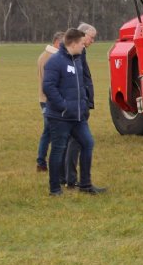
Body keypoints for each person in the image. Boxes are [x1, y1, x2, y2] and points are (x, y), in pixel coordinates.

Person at [43, 28, 106, 196]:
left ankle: (85, 184)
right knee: (58, 149)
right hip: (60, 117)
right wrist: (64, 105)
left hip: (78, 116)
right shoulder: (55, 62)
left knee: (88, 143)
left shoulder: (77, 60)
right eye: (81, 43)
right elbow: (48, 87)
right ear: (72, 43)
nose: (83, 46)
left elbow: (82, 83)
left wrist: (84, 104)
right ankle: (55, 188)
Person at [63, 23, 96, 187]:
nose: (92, 41)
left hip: (79, 104)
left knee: (74, 141)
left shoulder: (80, 53)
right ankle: (72, 179)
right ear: (82, 35)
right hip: (77, 106)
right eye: (91, 37)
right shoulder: (75, 55)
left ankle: (69, 178)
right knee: (78, 142)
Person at [36, 31, 64, 172]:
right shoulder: (53, 58)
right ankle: (49, 163)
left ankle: (41, 162)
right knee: (53, 132)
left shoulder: (42, 55)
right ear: (58, 43)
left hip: (43, 99)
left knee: (47, 132)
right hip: (50, 100)